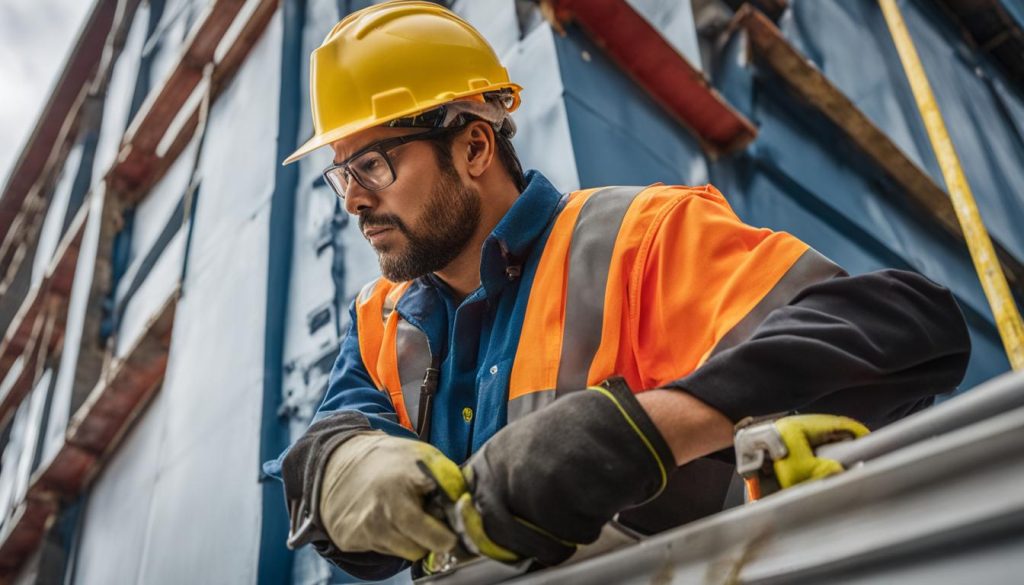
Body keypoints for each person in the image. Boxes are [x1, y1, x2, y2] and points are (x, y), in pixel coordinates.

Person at [265, 1, 971, 579]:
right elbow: (330, 445)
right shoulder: (380, 321)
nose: (352, 200)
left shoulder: (634, 239)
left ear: (474, 146)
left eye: (373, 165)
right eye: (341, 174)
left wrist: (644, 431)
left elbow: (904, 325)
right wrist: (337, 465)